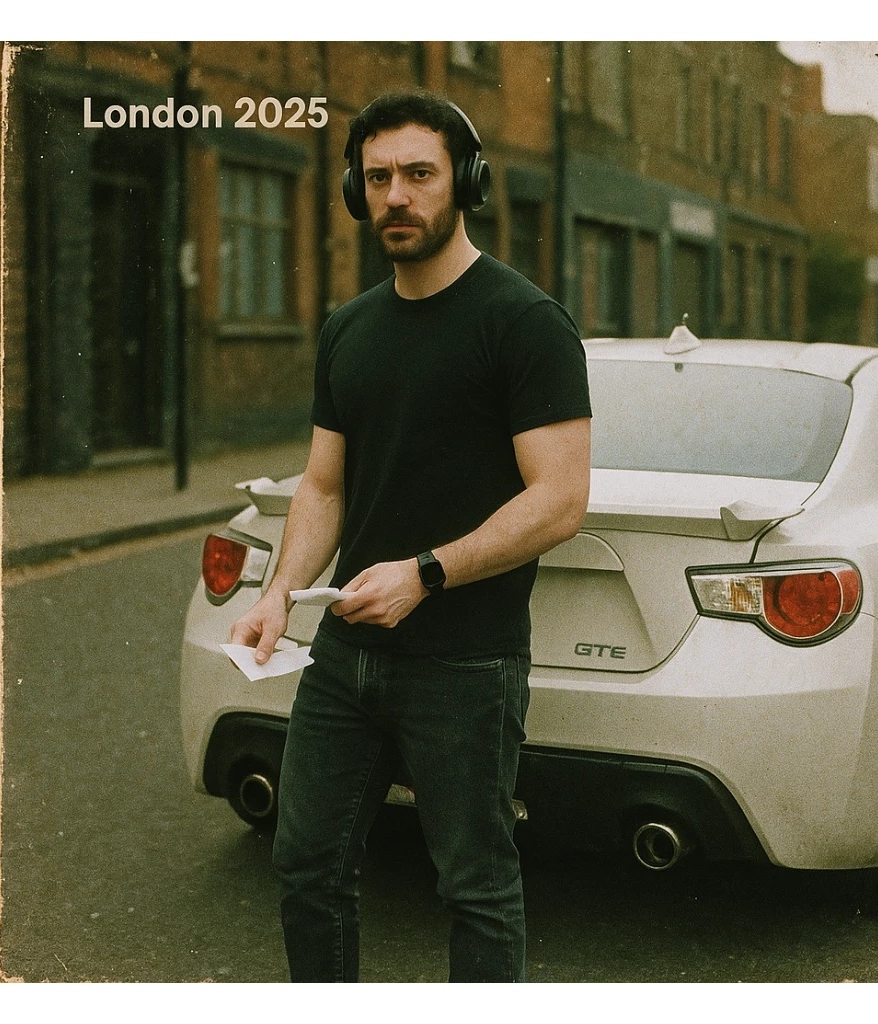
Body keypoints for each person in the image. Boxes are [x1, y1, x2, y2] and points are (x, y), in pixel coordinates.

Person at [229, 90, 592, 983]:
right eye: (378, 177)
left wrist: (426, 574)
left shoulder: (524, 323)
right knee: (305, 868)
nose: (395, 195)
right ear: (357, 191)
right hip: (344, 657)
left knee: (474, 886)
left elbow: (560, 500)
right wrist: (277, 592)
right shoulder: (348, 329)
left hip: (465, 664)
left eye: (418, 175)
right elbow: (323, 486)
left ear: (464, 183)